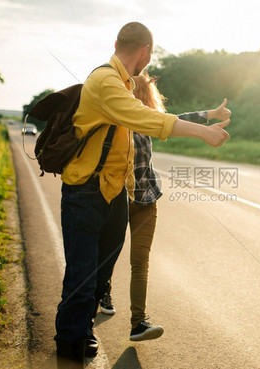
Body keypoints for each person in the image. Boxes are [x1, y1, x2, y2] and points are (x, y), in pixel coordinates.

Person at [54, 22, 230, 367]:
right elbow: (144, 118)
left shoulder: (124, 82)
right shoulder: (106, 80)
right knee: (82, 274)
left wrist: (205, 117)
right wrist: (203, 132)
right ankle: (67, 348)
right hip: (85, 192)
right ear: (145, 51)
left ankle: (83, 330)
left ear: (118, 42)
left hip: (114, 194)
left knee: (100, 274)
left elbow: (150, 120)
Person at [99, 74, 231, 343]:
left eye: (142, 91)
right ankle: (101, 293)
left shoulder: (149, 119)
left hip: (146, 201)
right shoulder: (113, 117)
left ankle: (138, 323)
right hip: (117, 200)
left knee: (139, 261)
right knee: (107, 256)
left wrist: (211, 114)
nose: (139, 95)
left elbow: (177, 119)